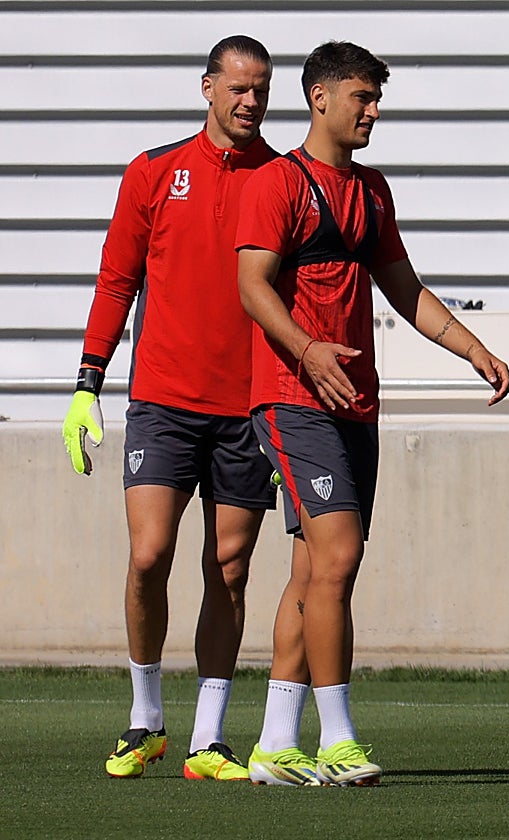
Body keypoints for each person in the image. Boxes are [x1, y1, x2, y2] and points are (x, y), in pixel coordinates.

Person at [236, 40, 509, 787]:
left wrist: (475, 349)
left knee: (317, 572)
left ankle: (273, 746)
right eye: (362, 96)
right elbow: (252, 286)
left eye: (376, 97)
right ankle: (339, 740)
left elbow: (406, 290)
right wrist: (306, 351)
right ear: (320, 97)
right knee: (339, 556)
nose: (374, 111)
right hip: (294, 398)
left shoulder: (374, 191)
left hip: (357, 405)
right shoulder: (276, 182)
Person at [61, 35, 277, 782]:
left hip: (250, 408)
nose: (250, 102)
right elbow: (116, 278)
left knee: (230, 567)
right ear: (208, 88)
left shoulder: (282, 177)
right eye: (238, 88)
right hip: (161, 399)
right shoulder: (154, 170)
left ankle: (207, 740)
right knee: (149, 556)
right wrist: (88, 382)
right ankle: (145, 717)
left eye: (262, 90)